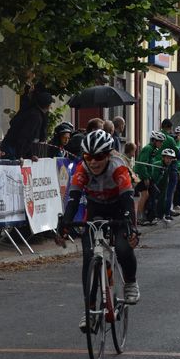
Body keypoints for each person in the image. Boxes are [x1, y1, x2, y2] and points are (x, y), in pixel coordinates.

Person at [57, 129, 140, 332]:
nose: (93, 162)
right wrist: (66, 223)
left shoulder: (117, 167)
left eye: (99, 156)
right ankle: (90, 310)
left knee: (122, 248)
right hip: (96, 209)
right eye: (88, 157)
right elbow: (74, 199)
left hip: (119, 208)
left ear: (109, 154)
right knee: (89, 257)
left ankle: (130, 282)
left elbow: (128, 200)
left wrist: (131, 227)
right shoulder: (82, 169)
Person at [0, 91, 53, 160]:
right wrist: (20, 155)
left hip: (12, 147)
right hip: (13, 149)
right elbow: (25, 136)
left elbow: (29, 139)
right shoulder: (35, 116)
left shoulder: (32, 111)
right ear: (48, 105)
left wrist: (29, 155)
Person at [134, 130, 165, 223]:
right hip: (141, 175)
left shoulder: (152, 149)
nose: (161, 144)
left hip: (146, 175)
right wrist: (146, 177)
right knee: (145, 195)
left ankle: (147, 215)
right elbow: (142, 164)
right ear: (154, 141)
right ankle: (139, 217)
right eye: (160, 141)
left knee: (152, 193)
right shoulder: (148, 148)